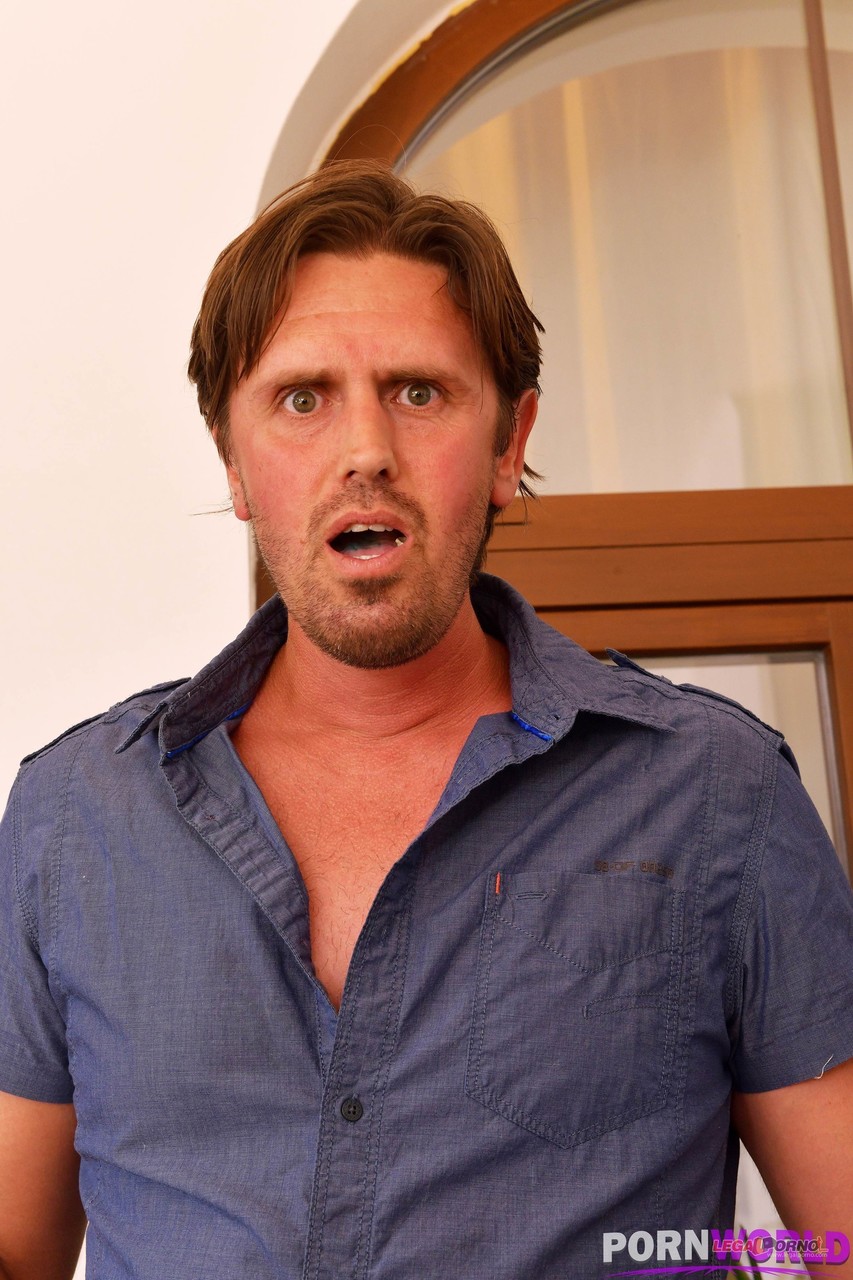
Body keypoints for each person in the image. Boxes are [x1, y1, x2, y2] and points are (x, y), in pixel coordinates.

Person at [1, 161, 851, 1280]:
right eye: (301, 398)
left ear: (508, 443)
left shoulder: (716, 793)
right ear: (233, 462)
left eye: (417, 392)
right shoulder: (73, 817)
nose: (366, 450)